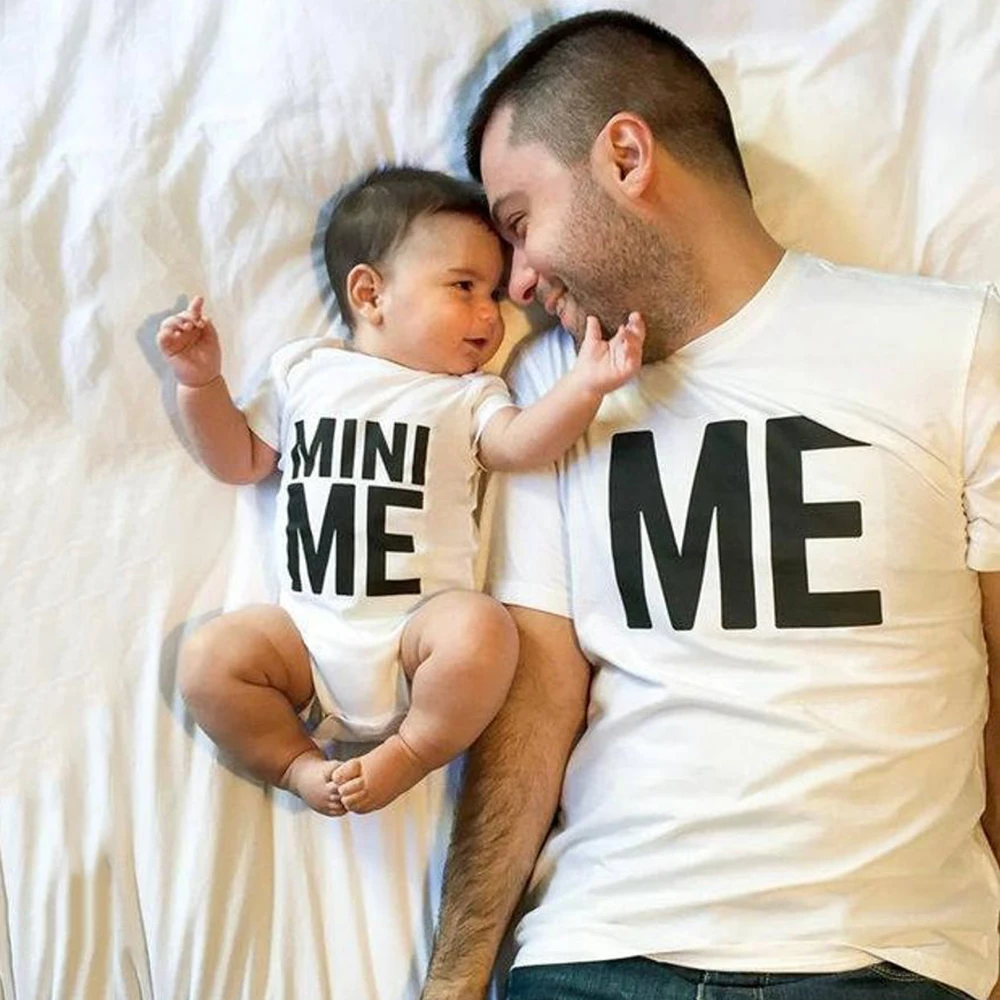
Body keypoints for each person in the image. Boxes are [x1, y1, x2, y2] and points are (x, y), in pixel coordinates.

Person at [420, 10, 1000, 1000]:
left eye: (518, 222)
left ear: (628, 157)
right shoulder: (551, 398)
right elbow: (538, 702)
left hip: (883, 960)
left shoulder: (955, 347)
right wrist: (454, 981)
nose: (516, 282)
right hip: (597, 955)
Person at [157, 166, 644, 817]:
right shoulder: (306, 372)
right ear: (370, 293)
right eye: (464, 287)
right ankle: (297, 766)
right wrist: (200, 385)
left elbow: (521, 444)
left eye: (494, 294)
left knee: (483, 630)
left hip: (419, 641)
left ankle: (411, 751)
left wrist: (584, 387)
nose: (490, 314)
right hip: (304, 643)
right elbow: (240, 460)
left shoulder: (468, 394)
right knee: (207, 659)